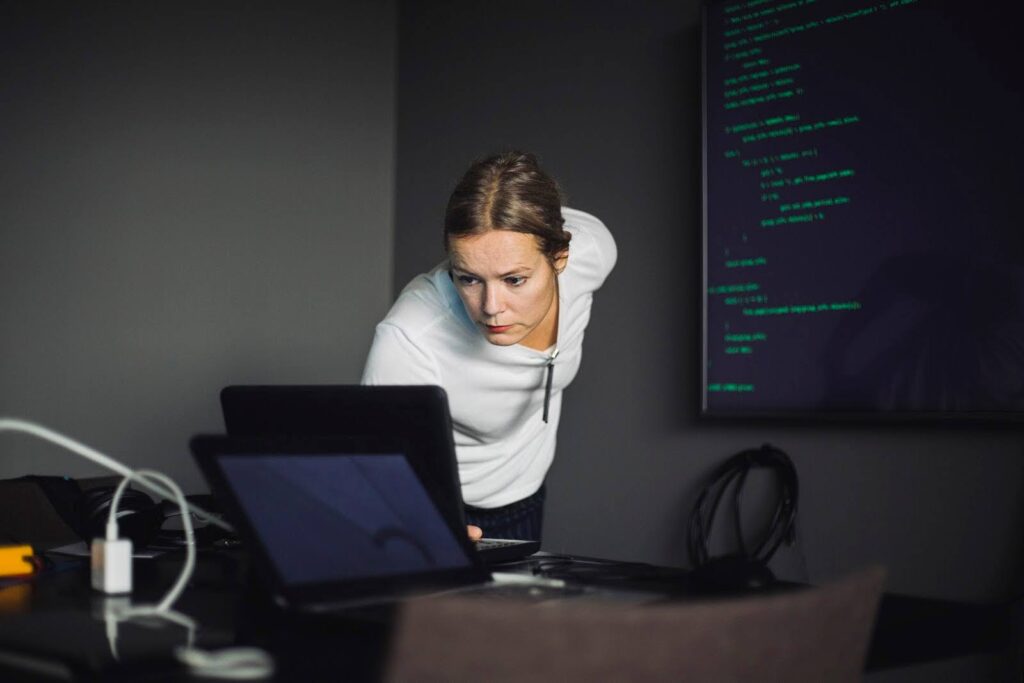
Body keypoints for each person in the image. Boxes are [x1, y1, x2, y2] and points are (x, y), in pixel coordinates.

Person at [362, 151, 616, 541]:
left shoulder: (592, 251)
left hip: (528, 495)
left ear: (560, 257)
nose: (491, 307)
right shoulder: (410, 337)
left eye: (514, 280)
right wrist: (422, 524)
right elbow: (375, 473)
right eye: (468, 278)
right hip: (445, 509)